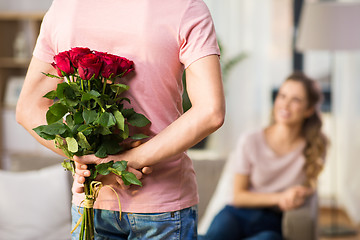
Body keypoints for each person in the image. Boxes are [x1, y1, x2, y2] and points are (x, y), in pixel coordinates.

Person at [16, 0, 225, 239]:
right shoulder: (186, 6)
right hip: (162, 205)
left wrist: (97, 164)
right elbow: (210, 111)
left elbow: (29, 109)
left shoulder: (65, 6)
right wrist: (126, 162)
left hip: (92, 201)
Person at [201, 72, 327, 240]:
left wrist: (298, 194)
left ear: (309, 110)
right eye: (282, 96)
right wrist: (279, 198)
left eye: (295, 99)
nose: (285, 104)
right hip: (235, 215)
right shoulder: (251, 141)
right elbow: (238, 196)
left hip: (272, 221)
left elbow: (310, 184)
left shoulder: (316, 145)